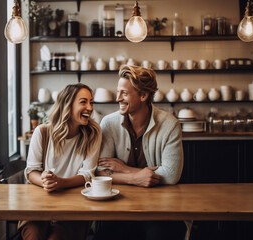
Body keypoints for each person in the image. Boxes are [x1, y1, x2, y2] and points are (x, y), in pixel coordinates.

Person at [94, 65, 186, 240]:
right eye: (117, 92)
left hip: (161, 209)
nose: (117, 98)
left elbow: (171, 174)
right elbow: (99, 170)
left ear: (143, 96)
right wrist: (135, 178)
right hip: (119, 207)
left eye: (124, 93)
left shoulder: (169, 124)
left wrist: (125, 169)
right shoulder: (109, 123)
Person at [21, 83, 102, 240]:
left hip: (75, 207)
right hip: (39, 204)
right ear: (68, 105)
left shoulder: (93, 133)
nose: (90, 108)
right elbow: (31, 171)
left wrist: (61, 183)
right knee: (33, 236)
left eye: (91, 102)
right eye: (83, 102)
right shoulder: (42, 132)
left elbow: (88, 175)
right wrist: (45, 181)